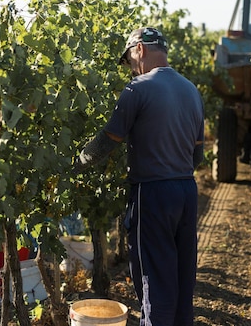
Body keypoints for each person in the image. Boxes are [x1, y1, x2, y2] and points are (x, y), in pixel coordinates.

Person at [74, 27, 205, 326]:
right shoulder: (191, 90)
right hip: (186, 191)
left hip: (153, 195)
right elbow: (198, 155)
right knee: (183, 283)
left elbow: (107, 142)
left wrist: (76, 164)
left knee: (155, 282)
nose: (130, 68)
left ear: (140, 50)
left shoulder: (137, 89)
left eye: (129, 60)